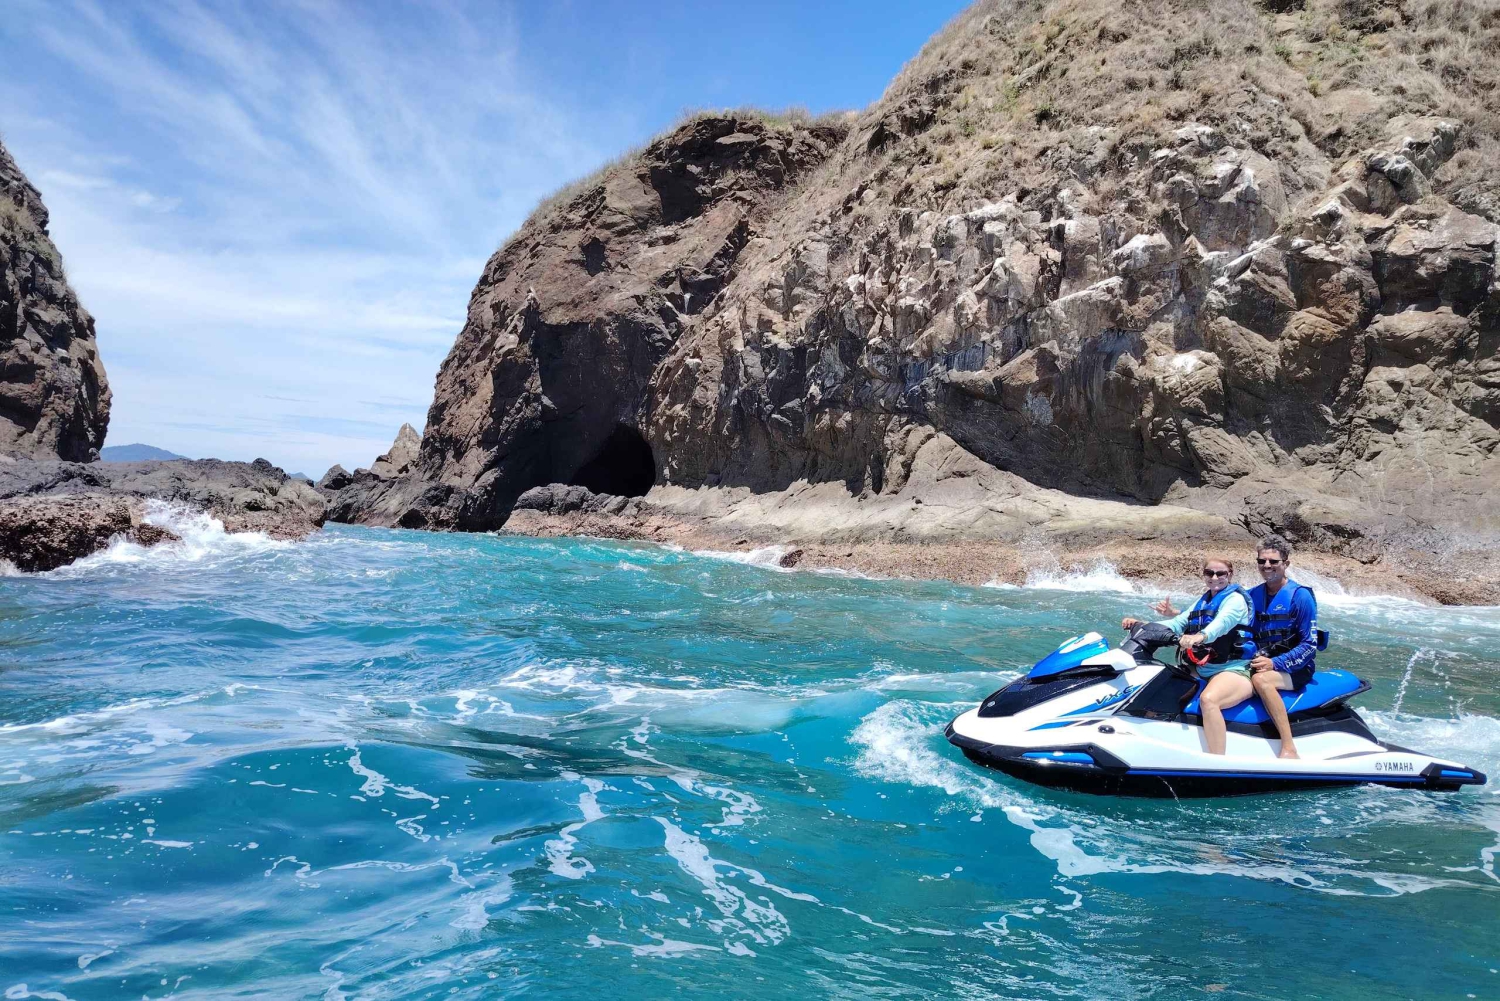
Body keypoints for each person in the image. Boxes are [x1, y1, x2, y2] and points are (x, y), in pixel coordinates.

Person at [1122, 557, 1255, 756]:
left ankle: (1218, 761)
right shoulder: (1203, 600)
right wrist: (1144, 627)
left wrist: (1200, 636)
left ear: (1230, 575)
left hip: (1233, 669)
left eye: (1221, 573)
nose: (1215, 577)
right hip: (1201, 668)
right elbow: (1177, 623)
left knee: (1209, 700)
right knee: (1156, 685)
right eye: (1209, 573)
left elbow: (1222, 624)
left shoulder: (1235, 600)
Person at [1244, 533, 1319, 760]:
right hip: (1258, 660)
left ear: (1285, 564)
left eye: (1273, 562)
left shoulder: (1300, 597)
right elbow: (1224, 621)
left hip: (1295, 667)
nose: (1267, 566)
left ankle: (1288, 746)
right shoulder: (1251, 595)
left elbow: (1309, 645)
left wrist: (1275, 663)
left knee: (1261, 680)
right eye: (1262, 561)